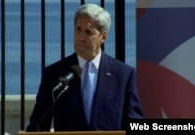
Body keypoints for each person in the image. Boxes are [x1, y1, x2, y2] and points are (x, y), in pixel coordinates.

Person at [26, 3, 143, 132]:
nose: (81, 37)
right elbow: (38, 124)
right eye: (78, 29)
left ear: (103, 37)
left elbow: (134, 124)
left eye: (88, 32)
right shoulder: (54, 74)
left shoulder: (123, 75)